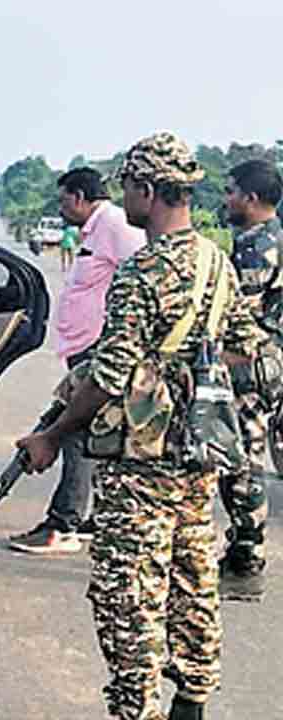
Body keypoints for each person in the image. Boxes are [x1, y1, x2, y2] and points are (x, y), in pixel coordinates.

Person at [18, 132, 263, 720]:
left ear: (148, 191)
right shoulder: (216, 261)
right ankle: (194, 700)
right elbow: (245, 348)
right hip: (199, 454)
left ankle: (139, 711)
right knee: (192, 576)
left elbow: (110, 373)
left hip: (142, 463)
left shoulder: (142, 271)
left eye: (128, 186)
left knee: (129, 598)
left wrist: (54, 435)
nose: (123, 196)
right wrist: (187, 369)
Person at [9, 168, 144, 554]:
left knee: (74, 433)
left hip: (101, 352)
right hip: (83, 350)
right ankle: (86, 519)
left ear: (82, 197)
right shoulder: (93, 231)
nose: (61, 207)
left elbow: (144, 271)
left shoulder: (115, 225)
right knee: (88, 434)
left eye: (64, 199)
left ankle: (62, 523)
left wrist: (113, 338)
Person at [219, 158, 283, 601]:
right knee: (247, 455)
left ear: (251, 198)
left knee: (241, 462)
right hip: (273, 360)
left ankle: (246, 560)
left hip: (251, 362)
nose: (227, 200)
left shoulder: (255, 245)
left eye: (231, 191)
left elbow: (242, 313)